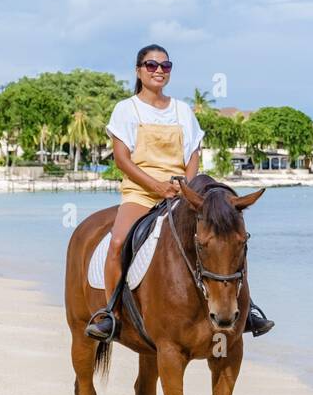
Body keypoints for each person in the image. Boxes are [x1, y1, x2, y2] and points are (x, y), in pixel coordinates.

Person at [84, 43, 273, 340]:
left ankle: (245, 309)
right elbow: (122, 158)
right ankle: (112, 313)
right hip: (141, 193)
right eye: (151, 65)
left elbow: (193, 155)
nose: (159, 70)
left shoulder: (182, 110)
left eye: (165, 66)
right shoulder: (126, 109)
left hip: (183, 194)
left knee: (226, 241)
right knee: (119, 242)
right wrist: (156, 186)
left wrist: (187, 187)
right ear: (139, 70)